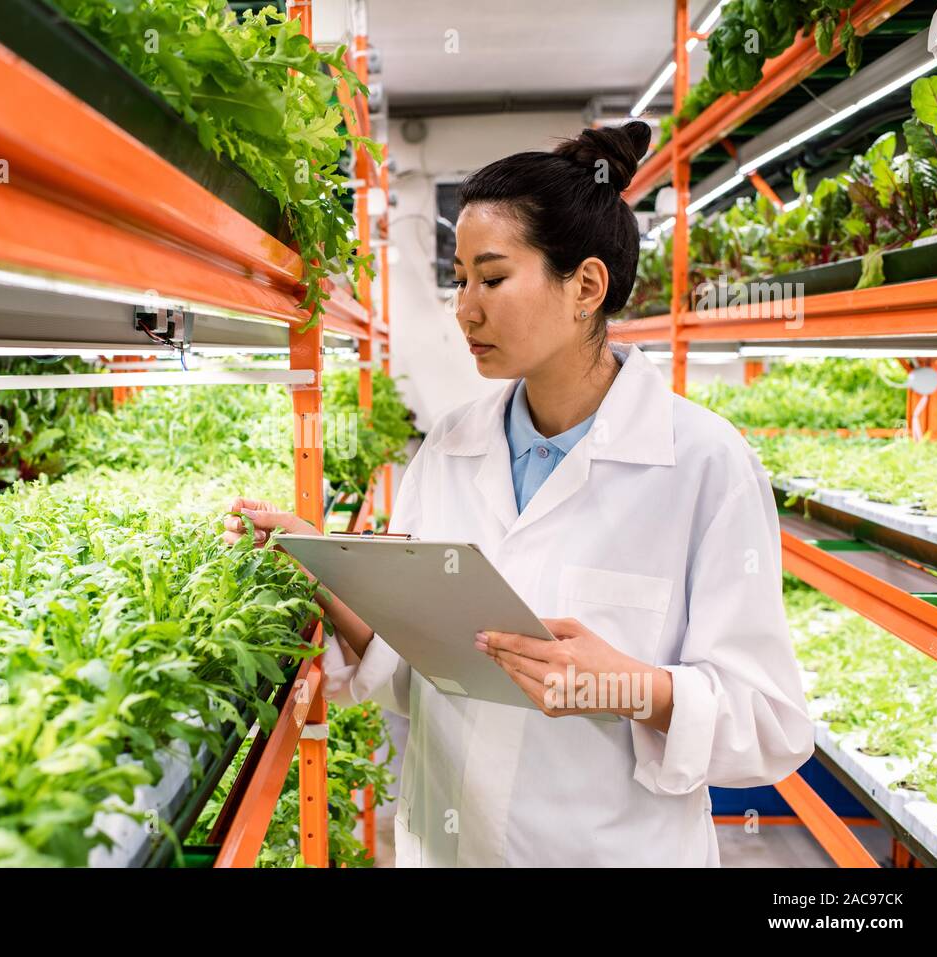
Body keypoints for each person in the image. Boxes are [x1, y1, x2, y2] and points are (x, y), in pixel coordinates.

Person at [222, 121, 814, 867]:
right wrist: (326, 569)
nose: (465, 308)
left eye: (493, 278)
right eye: (460, 278)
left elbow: (772, 725)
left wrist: (639, 688)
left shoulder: (703, 465)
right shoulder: (448, 447)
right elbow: (421, 676)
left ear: (586, 287)